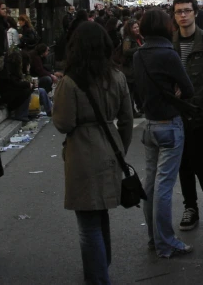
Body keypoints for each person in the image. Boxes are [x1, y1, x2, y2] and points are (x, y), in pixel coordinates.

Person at [53, 23, 133, 284]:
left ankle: (98, 277)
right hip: (111, 148)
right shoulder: (117, 77)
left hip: (83, 153)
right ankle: (102, 265)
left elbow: (63, 123)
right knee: (101, 214)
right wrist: (120, 148)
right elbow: (127, 119)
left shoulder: (70, 82)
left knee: (88, 222)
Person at [133, 10, 195, 258]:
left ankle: (153, 237)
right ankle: (166, 242)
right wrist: (176, 93)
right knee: (164, 187)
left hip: (149, 124)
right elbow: (188, 88)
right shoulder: (169, 53)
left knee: (151, 184)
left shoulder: (138, 54)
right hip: (169, 123)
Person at [171, 0, 203, 232]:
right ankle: (190, 207)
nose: (183, 15)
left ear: (195, 13)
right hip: (176, 113)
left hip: (200, 113)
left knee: (198, 160)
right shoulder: (169, 43)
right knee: (183, 162)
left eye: (186, 11)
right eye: (179, 11)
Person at [0, 50, 37, 122]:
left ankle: (25, 113)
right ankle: (21, 115)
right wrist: (28, 83)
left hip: (9, 94)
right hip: (7, 97)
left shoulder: (11, 70)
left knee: (30, 90)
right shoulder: (9, 71)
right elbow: (16, 83)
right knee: (27, 91)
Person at [121, 19, 143, 116]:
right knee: (131, 92)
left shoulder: (138, 37)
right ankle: (132, 111)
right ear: (130, 29)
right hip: (130, 69)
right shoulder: (128, 39)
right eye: (134, 27)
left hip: (137, 67)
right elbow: (126, 51)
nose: (137, 29)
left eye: (137, 27)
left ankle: (141, 107)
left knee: (137, 90)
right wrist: (139, 48)